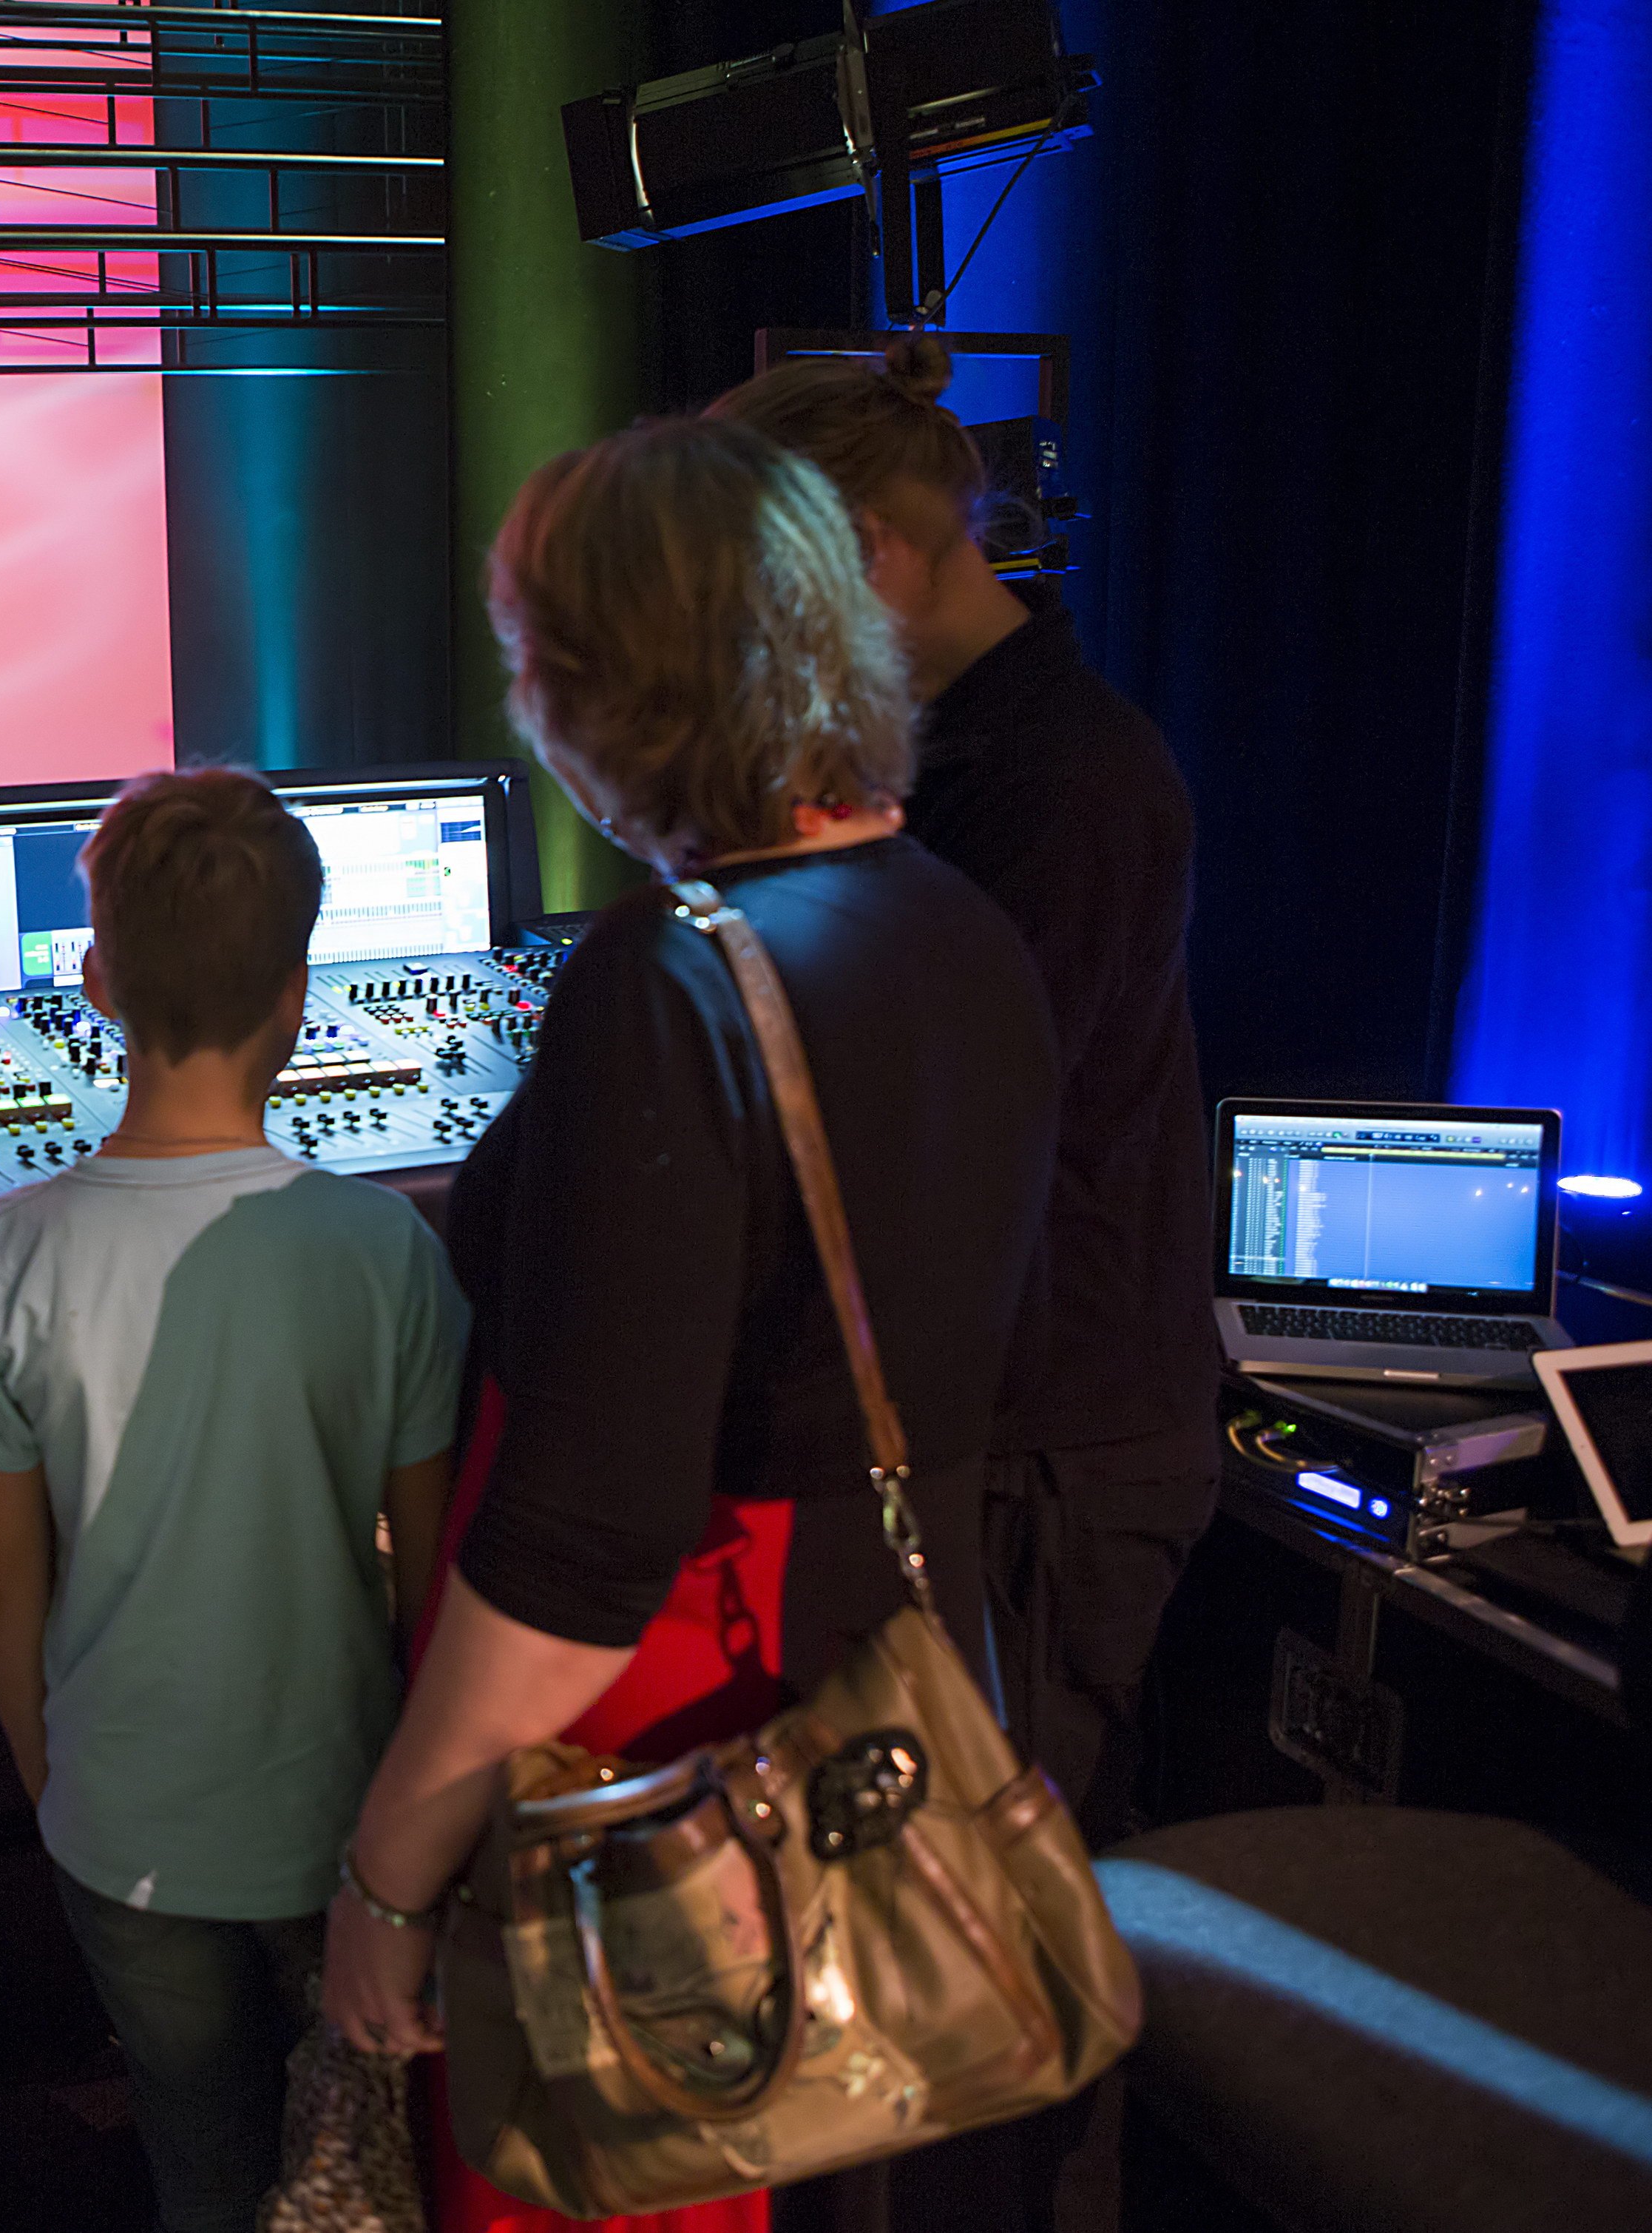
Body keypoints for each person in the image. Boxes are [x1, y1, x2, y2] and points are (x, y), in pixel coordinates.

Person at [325, 420, 1059, 2233]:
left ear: (616, 690)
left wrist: (391, 1874)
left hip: (670, 1793)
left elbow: (581, 1547)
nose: (523, 700)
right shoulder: (963, 929)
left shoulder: (675, 983)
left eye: (532, 656)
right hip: (873, 1725)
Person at [0, 769, 466, 2233]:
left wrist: (51, 1780)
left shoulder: (1, 1256)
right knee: (363, 2163)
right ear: (294, 993)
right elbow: (426, 1580)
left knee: (197, 2164)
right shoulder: (381, 1251)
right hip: (344, 1818)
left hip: (122, 1821)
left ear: (89, 981)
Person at [709, 336, 1214, 1854]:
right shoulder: (946, 759)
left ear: (863, 553)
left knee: (987, 1936)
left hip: (1044, 1459)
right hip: (992, 1438)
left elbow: (930, 1145)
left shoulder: (1060, 787)